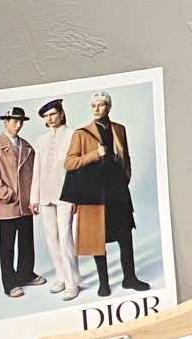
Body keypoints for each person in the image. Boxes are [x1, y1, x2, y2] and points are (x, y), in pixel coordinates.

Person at [61, 92, 150, 297]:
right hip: (94, 192)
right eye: (94, 105)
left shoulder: (119, 129)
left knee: (125, 235)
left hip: (117, 190)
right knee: (96, 237)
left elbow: (125, 157)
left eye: (101, 105)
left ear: (109, 107)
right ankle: (104, 283)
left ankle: (130, 278)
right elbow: (69, 163)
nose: (97, 109)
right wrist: (95, 154)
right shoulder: (81, 134)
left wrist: (124, 179)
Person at [0, 107, 46, 299]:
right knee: (8, 246)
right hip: (8, 205)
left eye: (21, 121)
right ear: (5, 122)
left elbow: (36, 174)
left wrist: (34, 197)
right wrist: (7, 194)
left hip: (26, 204)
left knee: (27, 242)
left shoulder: (27, 146)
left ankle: (26, 274)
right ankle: (9, 283)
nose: (18, 125)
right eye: (14, 121)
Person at [30, 96, 79, 299]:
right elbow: (37, 169)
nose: (49, 119)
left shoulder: (73, 135)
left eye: (52, 114)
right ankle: (61, 277)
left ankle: (72, 282)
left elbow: (76, 170)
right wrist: (34, 198)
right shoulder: (41, 139)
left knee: (65, 236)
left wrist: (75, 196)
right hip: (45, 195)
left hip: (65, 195)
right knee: (52, 238)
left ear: (61, 114)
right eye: (46, 116)